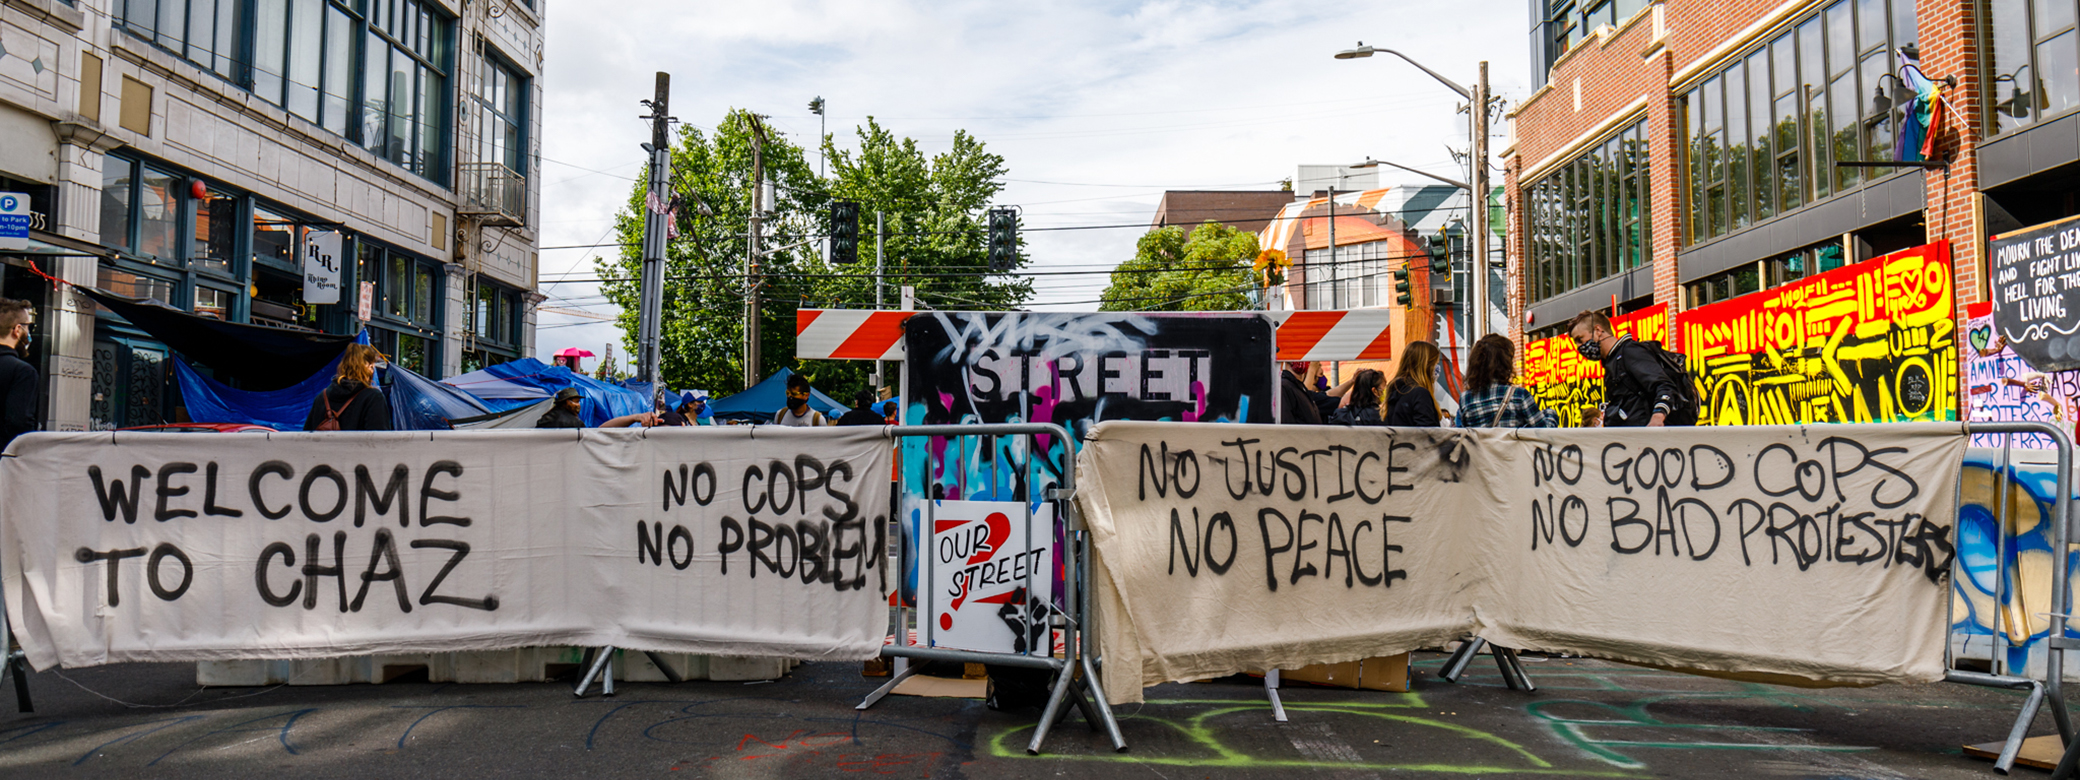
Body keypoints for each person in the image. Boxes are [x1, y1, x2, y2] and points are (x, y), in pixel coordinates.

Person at [1566, 311, 1689, 427]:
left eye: (1580, 339)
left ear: (1598, 330)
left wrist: (1657, 417)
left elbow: (1665, 386)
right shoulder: (1613, 362)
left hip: (1643, 440)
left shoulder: (1629, 352)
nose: (1578, 347)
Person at [1457, 334, 1556, 429]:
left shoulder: (1466, 399)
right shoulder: (1519, 395)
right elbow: (1543, 433)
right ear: (1504, 363)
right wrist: (1551, 414)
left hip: (1480, 447)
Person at [304, 344, 393, 431]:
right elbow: (380, 441)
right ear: (370, 368)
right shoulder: (373, 398)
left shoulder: (321, 398)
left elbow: (307, 437)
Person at [0, 298, 38, 451]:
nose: (29, 333)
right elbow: (19, 424)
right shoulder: (23, 372)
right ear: (17, 330)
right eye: (29, 327)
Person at [1382, 341, 1444, 427]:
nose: (1437, 368)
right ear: (1426, 366)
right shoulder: (1420, 394)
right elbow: (1428, 433)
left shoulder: (1396, 389)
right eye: (1435, 363)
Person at [536, 387, 656, 429]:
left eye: (579, 402)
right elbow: (600, 431)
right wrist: (635, 417)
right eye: (575, 402)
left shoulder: (545, 418)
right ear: (565, 403)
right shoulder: (574, 423)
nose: (578, 405)